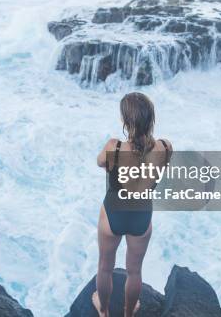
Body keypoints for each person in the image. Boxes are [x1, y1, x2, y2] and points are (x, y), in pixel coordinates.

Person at [92, 92, 172, 317]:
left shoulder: (114, 147)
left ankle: (104, 310)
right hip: (141, 217)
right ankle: (129, 313)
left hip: (113, 215)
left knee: (105, 267)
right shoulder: (165, 147)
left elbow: (99, 162)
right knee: (134, 271)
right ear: (151, 119)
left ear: (126, 122)